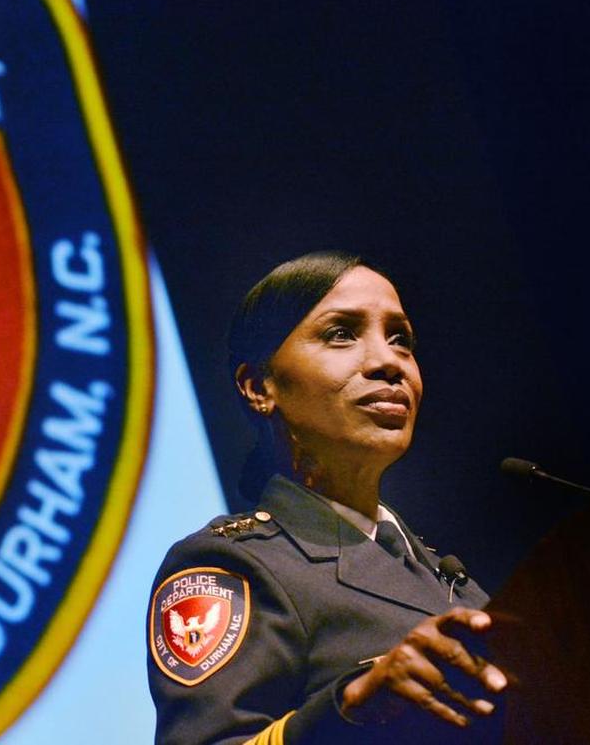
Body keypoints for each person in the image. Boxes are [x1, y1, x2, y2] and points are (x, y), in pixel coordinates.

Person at [146, 251, 508, 744]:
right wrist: (351, 710)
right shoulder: (231, 567)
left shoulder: (458, 585)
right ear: (259, 387)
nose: (388, 362)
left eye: (400, 339)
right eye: (341, 333)